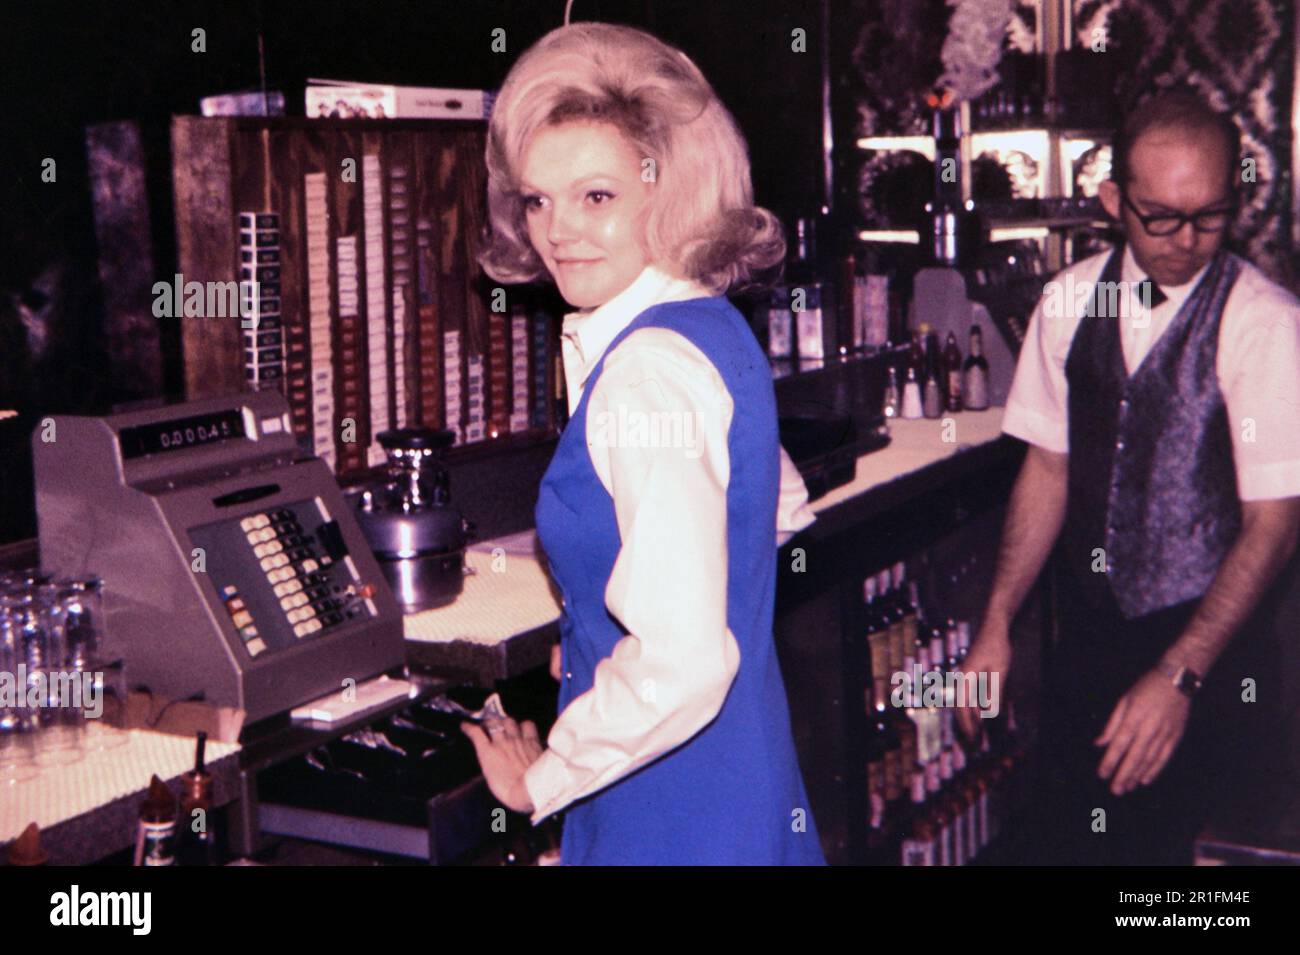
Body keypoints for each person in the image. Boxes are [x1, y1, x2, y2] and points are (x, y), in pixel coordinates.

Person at [462, 21, 826, 865]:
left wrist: (542, 777)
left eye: (597, 197)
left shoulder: (645, 370)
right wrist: (601, 636)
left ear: (669, 193)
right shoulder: (709, 327)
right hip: (743, 771)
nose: (558, 231)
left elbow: (686, 659)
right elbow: (780, 507)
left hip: (670, 807)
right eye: (537, 199)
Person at [956, 88, 1300, 865]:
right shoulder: (1070, 300)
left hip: (1214, 655)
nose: (1186, 240)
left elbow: (1275, 523)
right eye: (1161, 216)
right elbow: (1046, 467)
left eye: (1209, 215)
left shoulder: (1265, 322)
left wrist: (1179, 675)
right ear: (1113, 200)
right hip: (1088, 641)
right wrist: (996, 626)